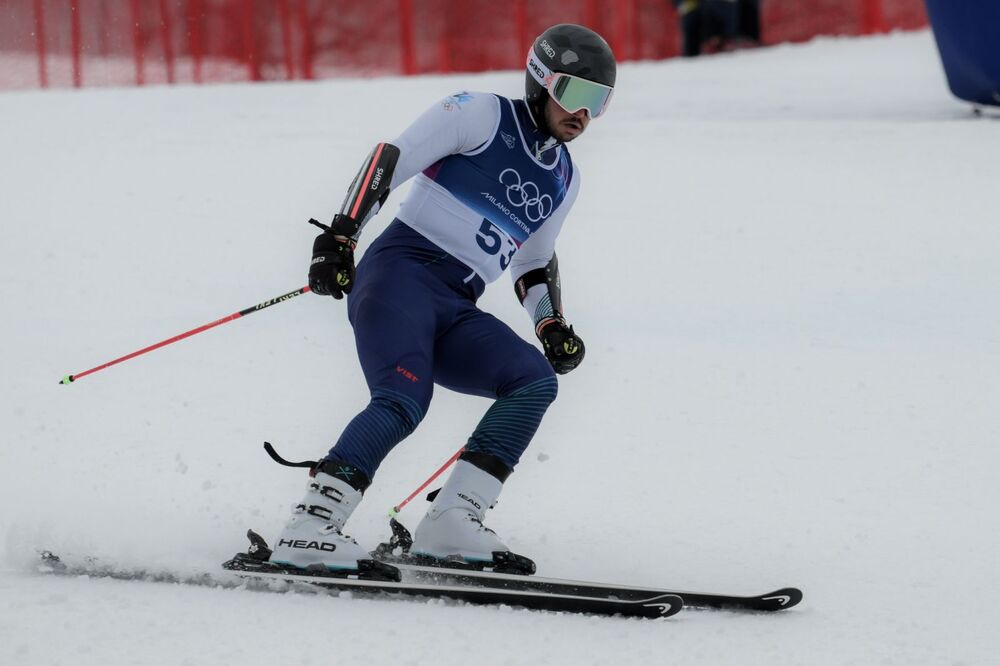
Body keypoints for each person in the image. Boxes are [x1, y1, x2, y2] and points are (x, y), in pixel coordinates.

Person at [266, 24, 617, 576]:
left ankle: (452, 521)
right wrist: (341, 235)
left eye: (599, 102)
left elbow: (532, 262)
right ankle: (309, 527)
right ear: (542, 81)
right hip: (398, 277)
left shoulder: (564, 178)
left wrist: (550, 326)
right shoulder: (479, 114)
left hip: (455, 303)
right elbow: (390, 159)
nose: (585, 114)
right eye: (575, 93)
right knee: (403, 400)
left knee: (531, 382)